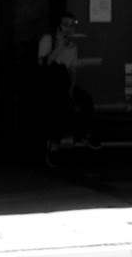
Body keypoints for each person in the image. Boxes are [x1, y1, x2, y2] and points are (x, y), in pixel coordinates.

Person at [37, 13, 100, 159]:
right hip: (49, 83)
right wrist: (59, 46)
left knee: (86, 99)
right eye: (65, 25)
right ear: (58, 27)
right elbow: (44, 64)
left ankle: (85, 134)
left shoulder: (73, 47)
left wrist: (72, 88)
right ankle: (54, 144)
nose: (69, 29)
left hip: (64, 83)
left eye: (72, 26)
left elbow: (73, 70)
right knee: (61, 105)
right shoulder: (48, 40)